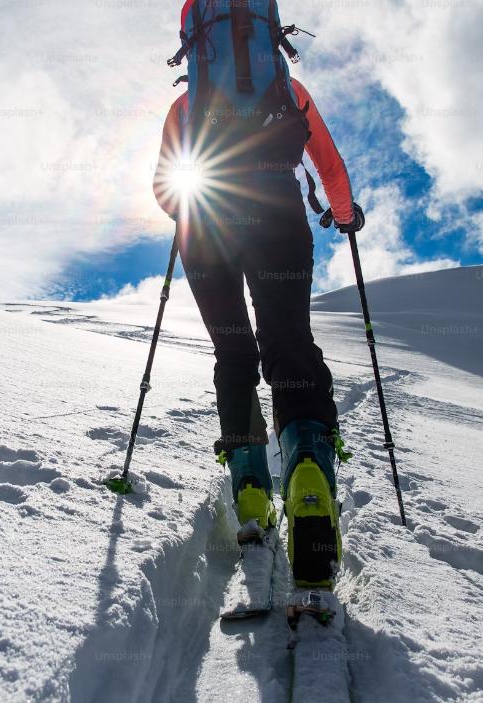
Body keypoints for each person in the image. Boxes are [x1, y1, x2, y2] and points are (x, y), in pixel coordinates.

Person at [153, 58, 361, 590]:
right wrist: (344, 215)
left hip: (205, 227)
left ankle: (250, 493)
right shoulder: (286, 88)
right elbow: (330, 167)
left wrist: (194, 210)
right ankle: (310, 482)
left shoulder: (187, 103)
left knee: (234, 354)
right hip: (277, 216)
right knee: (288, 343)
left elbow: (164, 186)